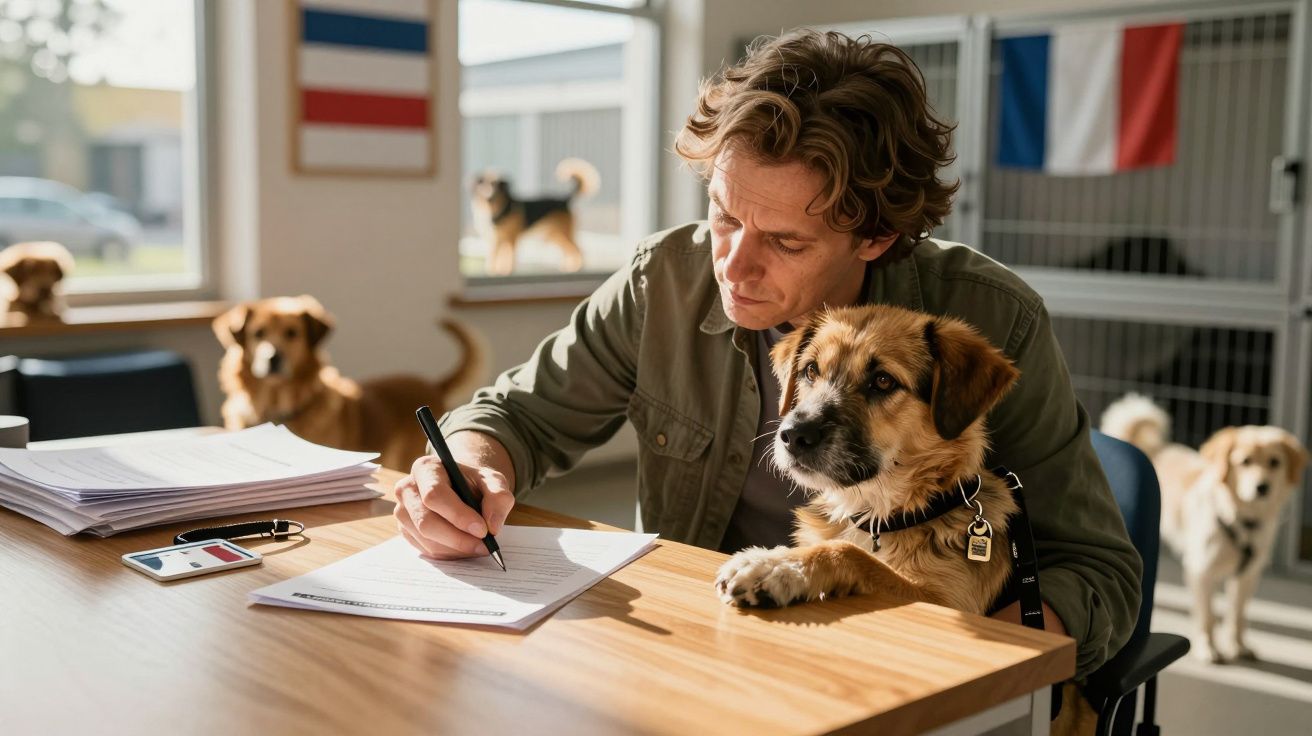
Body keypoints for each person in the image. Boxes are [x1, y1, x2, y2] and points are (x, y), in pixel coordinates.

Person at [395, 29, 1141, 678]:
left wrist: (965, 662)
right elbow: (516, 413)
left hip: (901, 664)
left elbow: (1100, 571)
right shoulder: (666, 280)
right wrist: (469, 464)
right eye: (723, 217)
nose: (734, 266)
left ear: (875, 236)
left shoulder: (989, 318)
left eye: (785, 241)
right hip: (707, 652)